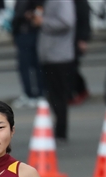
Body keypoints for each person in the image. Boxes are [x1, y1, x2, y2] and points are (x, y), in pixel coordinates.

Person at [34, 0, 75, 140]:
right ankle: (59, 129)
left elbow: (67, 22)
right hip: (50, 55)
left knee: (58, 95)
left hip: (59, 55)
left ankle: (61, 131)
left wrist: (43, 22)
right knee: (53, 94)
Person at [11, 0, 44, 108]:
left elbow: (38, 9)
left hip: (28, 32)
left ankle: (34, 94)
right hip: (25, 33)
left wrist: (31, 15)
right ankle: (34, 94)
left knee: (29, 65)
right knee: (32, 65)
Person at [70, 0, 91, 105]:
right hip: (68, 38)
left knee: (72, 67)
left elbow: (84, 19)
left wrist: (83, 38)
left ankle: (81, 90)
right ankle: (73, 92)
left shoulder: (80, 2)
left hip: (76, 38)